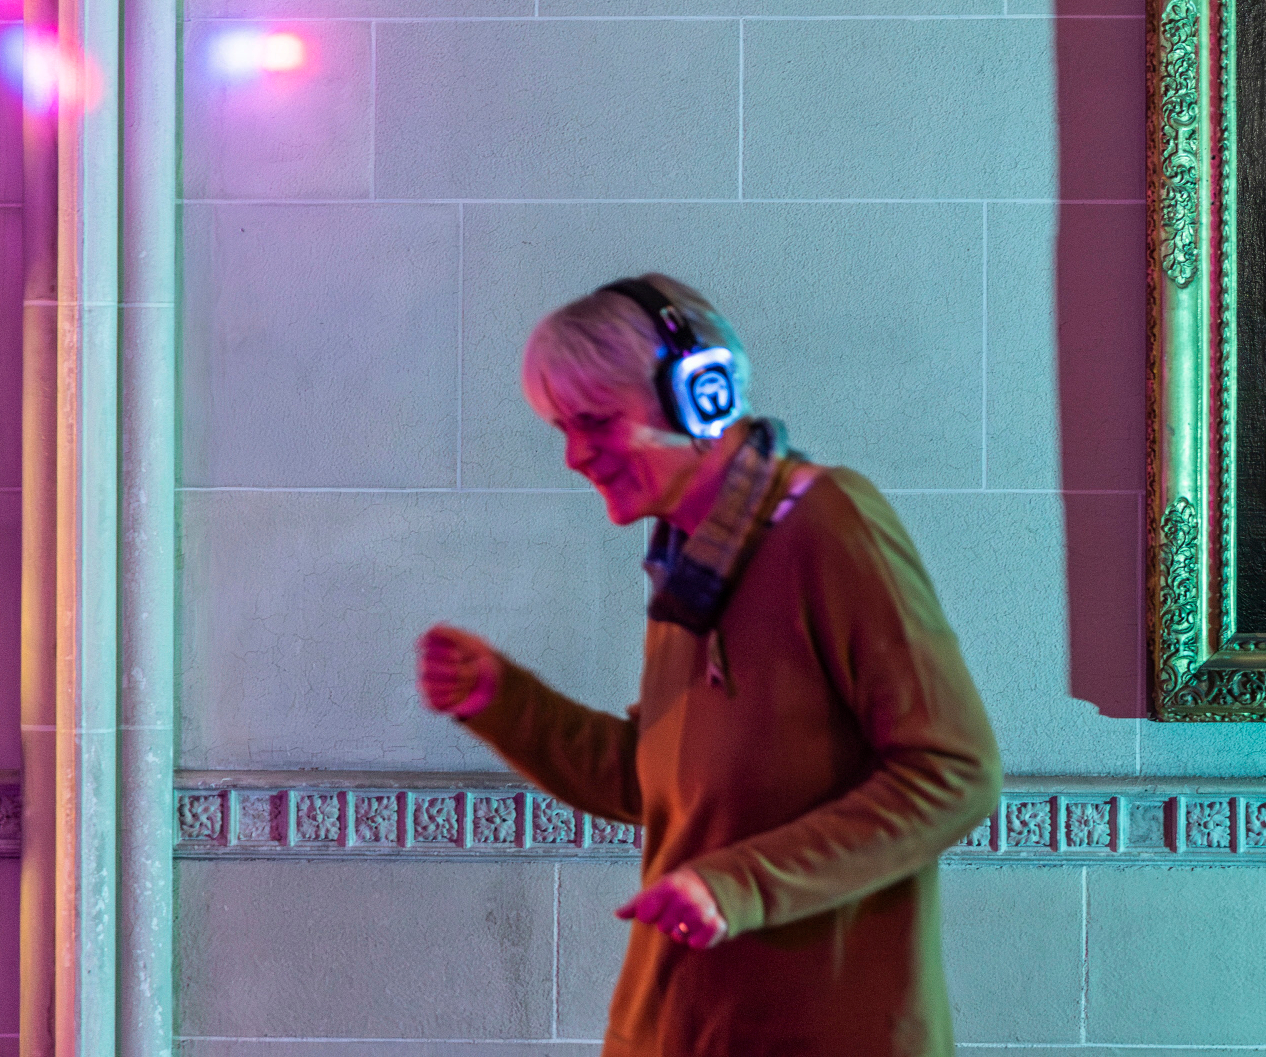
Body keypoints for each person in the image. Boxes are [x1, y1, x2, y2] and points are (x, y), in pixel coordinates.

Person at [417, 274, 1001, 1056]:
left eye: (594, 422)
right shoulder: (689, 564)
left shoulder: (828, 526)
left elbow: (953, 772)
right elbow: (654, 779)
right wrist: (503, 701)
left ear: (705, 397)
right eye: (562, 427)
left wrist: (739, 885)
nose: (574, 456)